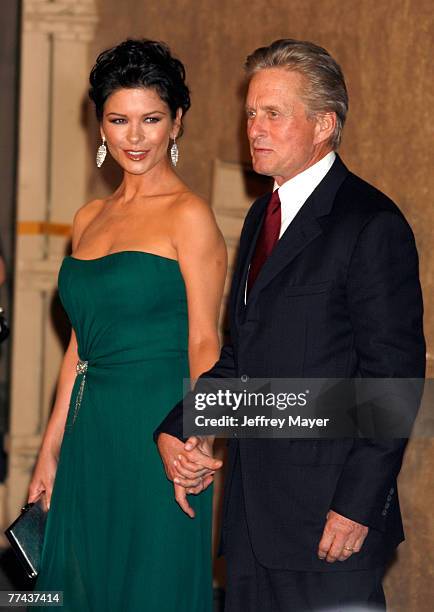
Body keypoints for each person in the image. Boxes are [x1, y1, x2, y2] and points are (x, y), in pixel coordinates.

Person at [155, 39, 426, 611]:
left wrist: (356, 506)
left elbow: (393, 381)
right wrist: (180, 425)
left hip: (330, 525)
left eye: (273, 114)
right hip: (253, 525)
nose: (254, 127)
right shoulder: (262, 214)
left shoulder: (370, 224)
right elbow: (243, 357)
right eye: (251, 112)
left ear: (324, 124)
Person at [28, 38, 226, 612]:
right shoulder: (87, 218)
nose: (135, 137)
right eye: (120, 120)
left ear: (176, 122)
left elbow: (204, 338)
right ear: (101, 126)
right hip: (92, 429)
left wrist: (197, 436)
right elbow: (79, 346)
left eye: (151, 120)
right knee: (78, 584)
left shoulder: (189, 215)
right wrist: (49, 448)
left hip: (156, 428)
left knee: (149, 586)